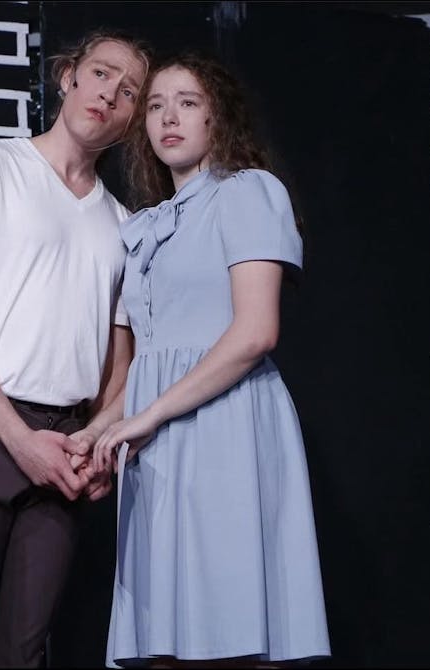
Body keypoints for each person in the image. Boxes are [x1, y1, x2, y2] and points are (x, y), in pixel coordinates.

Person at [79, 53, 332, 667]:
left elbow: (254, 333)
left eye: (188, 102)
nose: (169, 117)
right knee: (164, 641)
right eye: (157, 105)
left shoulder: (247, 192)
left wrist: (147, 417)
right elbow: (143, 357)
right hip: (156, 447)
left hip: (225, 429)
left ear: (218, 116)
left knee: (228, 632)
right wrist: (101, 429)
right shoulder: (144, 226)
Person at [0, 30, 150, 668]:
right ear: (68, 76)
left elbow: (118, 361)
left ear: (130, 121)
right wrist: (19, 440)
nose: (110, 93)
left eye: (129, 92)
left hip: (64, 442)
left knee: (25, 651)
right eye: (101, 74)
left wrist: (97, 440)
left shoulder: (122, 224)